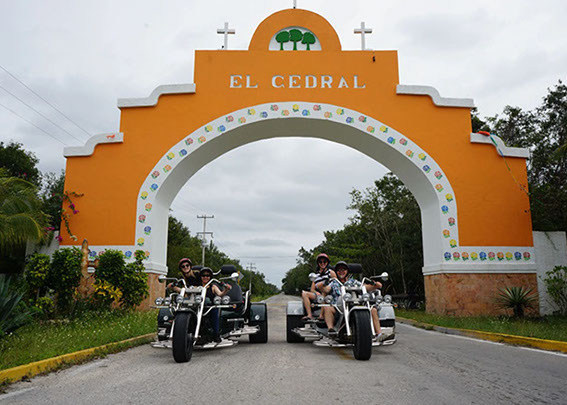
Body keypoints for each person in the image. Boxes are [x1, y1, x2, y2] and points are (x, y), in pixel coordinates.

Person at [317, 261, 382, 337]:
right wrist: (323, 284)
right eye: (339, 270)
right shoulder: (334, 283)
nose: (341, 272)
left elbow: (366, 287)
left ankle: (379, 334)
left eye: (343, 269)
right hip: (339, 308)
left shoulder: (353, 282)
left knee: (373, 309)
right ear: (336, 272)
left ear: (347, 271)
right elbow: (324, 289)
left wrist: (375, 285)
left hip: (355, 304)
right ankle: (331, 330)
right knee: (327, 308)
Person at [199, 267, 232, 342]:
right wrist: (174, 287)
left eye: (207, 275)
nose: (205, 277)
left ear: (210, 277)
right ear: (200, 277)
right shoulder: (197, 286)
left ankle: (216, 334)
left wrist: (226, 289)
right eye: (203, 275)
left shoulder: (213, 287)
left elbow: (220, 294)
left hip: (209, 308)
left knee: (214, 311)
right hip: (198, 307)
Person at [301, 253, 336, 321]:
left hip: (329, 294)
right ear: (318, 263)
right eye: (320, 262)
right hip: (319, 296)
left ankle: (321, 315)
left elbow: (336, 284)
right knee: (304, 293)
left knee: (324, 292)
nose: (322, 263)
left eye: (324, 262)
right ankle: (309, 315)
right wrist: (316, 293)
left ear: (327, 263)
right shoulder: (316, 275)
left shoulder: (331, 272)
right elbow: (312, 289)